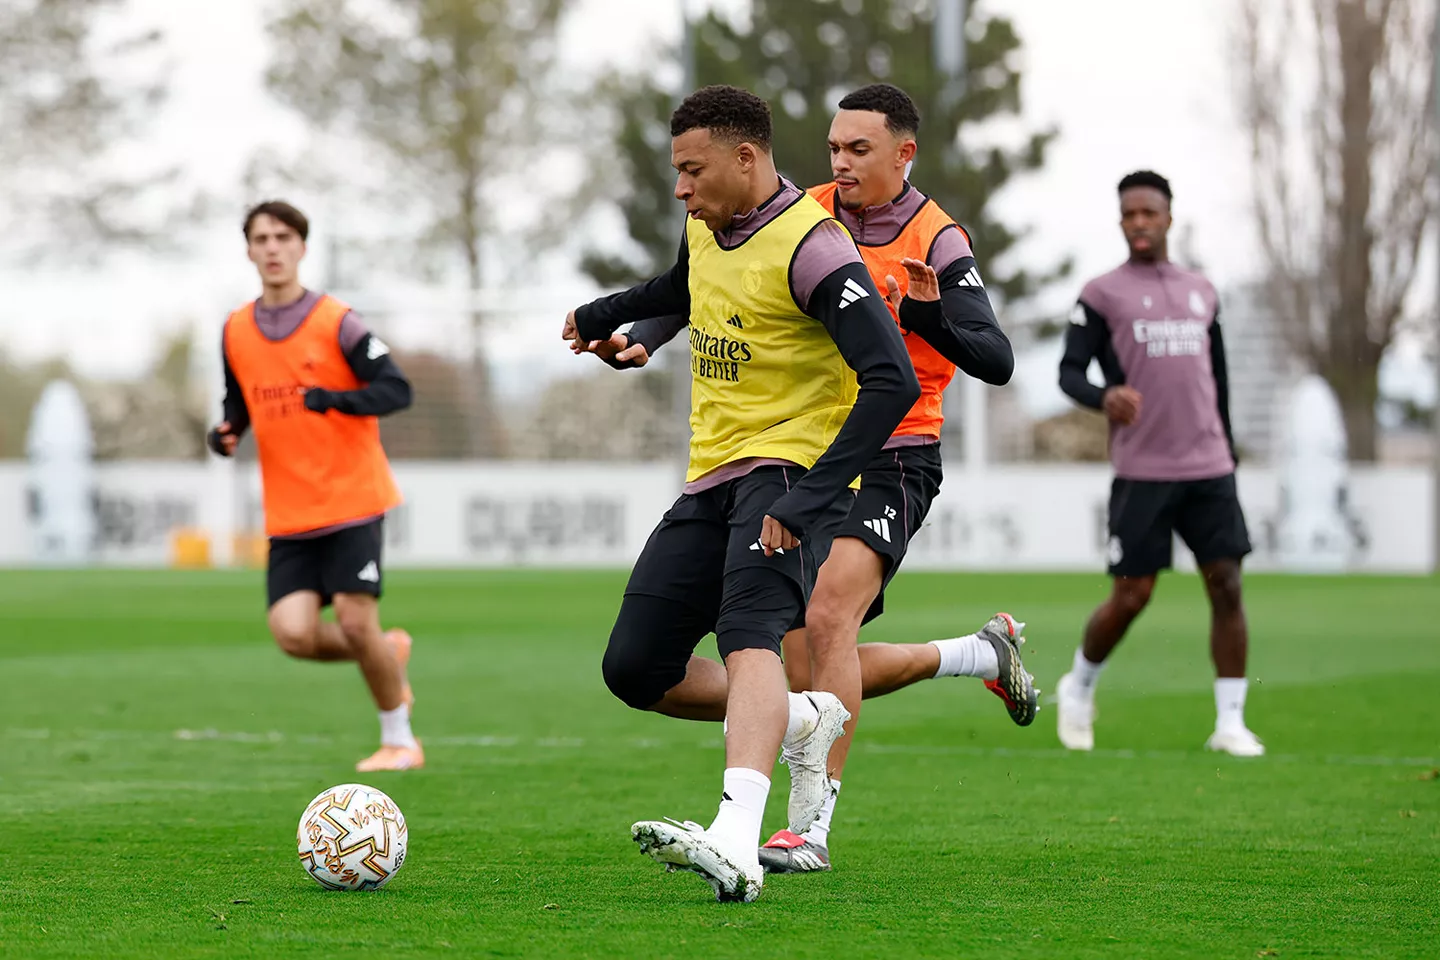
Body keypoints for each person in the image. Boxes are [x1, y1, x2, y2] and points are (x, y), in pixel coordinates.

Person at [581, 83, 1038, 875]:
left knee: (823, 622)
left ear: (905, 153)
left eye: (859, 149)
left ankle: (808, 824)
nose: (841, 163)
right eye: (833, 148)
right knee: (800, 655)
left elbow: (993, 359)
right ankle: (975, 654)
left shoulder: (938, 238)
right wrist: (644, 334)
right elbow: (709, 289)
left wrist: (926, 314)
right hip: (801, 446)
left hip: (892, 452)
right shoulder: (802, 214)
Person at [563, 84, 920, 902]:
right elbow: (685, 288)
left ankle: (736, 837)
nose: (681, 188)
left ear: (746, 157)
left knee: (748, 632)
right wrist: (608, 316)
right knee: (635, 667)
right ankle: (800, 716)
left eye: (693, 170)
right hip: (712, 473)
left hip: (790, 470)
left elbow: (890, 378)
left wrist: (815, 497)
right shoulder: (707, 223)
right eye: (677, 172)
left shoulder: (816, 248)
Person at [207, 200, 423, 772]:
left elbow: (396, 390)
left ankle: (400, 740)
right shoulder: (234, 329)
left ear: (302, 247)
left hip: (353, 499)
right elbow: (239, 403)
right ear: (249, 251)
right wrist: (227, 432)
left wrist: (334, 400)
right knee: (294, 636)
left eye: (283, 236)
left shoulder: (338, 321)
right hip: (290, 512)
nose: (273, 247)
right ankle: (388, 651)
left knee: (355, 622)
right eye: (261, 238)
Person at [1054, 170, 1262, 758]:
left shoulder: (1202, 290)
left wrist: (1229, 447)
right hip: (1143, 470)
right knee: (1132, 595)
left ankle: (1230, 722)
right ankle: (1081, 686)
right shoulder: (1102, 294)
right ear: (1121, 222)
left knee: (1226, 586)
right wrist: (1104, 397)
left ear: (1169, 217)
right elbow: (1068, 372)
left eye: (1149, 213)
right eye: (1129, 215)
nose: (1140, 223)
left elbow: (1217, 378)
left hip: (1209, 466)